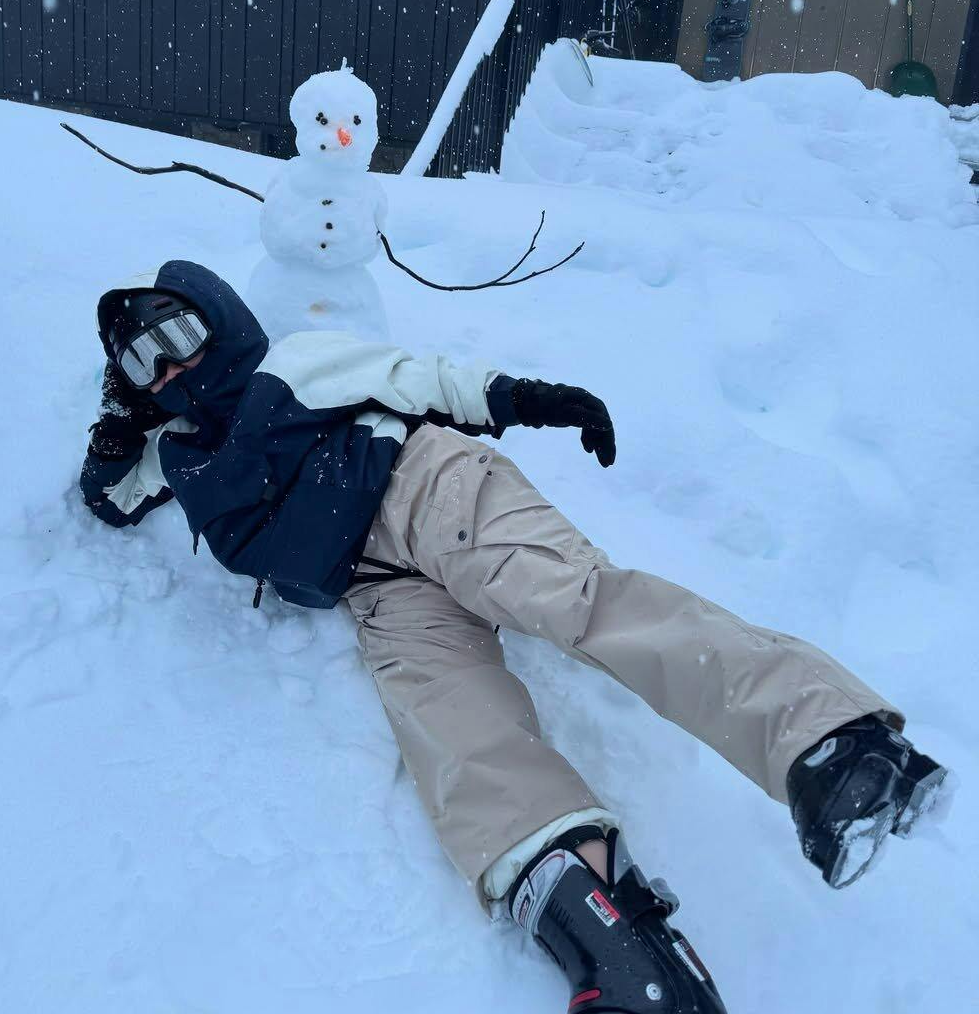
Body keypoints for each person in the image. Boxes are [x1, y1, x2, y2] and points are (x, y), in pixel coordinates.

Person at [81, 259, 947, 1014]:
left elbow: (421, 379)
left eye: (178, 335)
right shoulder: (181, 457)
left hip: (425, 490)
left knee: (573, 603)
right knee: (458, 743)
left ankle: (833, 745)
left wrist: (534, 400)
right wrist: (116, 434)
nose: (173, 367)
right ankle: (613, 942)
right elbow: (111, 501)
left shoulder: (294, 365)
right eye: (144, 363)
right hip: (375, 591)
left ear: (220, 317)